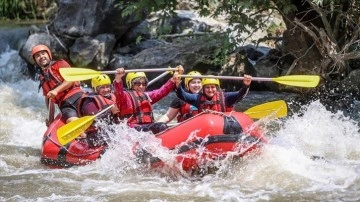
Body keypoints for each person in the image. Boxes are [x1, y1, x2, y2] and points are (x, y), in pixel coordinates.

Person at [113, 66, 184, 134]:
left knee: (161, 126)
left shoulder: (147, 95)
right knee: (161, 126)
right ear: (130, 83)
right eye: (137, 83)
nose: (141, 86)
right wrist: (118, 78)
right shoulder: (124, 96)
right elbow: (118, 91)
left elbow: (161, 92)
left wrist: (173, 79)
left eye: (144, 84)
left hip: (146, 127)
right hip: (133, 129)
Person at [31, 44, 84, 126]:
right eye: (37, 56)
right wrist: (51, 119)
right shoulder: (42, 78)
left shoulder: (60, 64)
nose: (41, 57)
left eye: (43, 53)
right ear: (35, 61)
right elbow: (49, 99)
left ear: (49, 55)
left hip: (77, 97)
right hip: (65, 106)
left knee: (89, 110)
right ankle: (83, 135)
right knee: (73, 123)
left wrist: (56, 90)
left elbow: (71, 79)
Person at [175, 75, 252, 112]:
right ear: (203, 89)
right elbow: (183, 95)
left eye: (213, 87)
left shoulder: (225, 97)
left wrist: (246, 85)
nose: (210, 90)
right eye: (207, 87)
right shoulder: (198, 98)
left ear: (217, 88)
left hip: (221, 128)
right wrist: (178, 85)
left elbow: (239, 94)